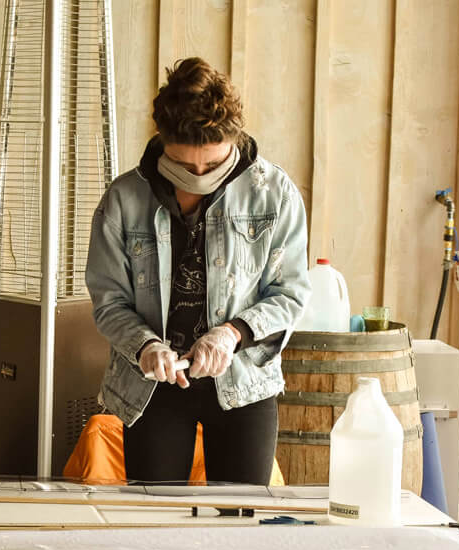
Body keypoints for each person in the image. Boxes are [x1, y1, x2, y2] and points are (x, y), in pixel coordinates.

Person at [85, 56, 310, 485]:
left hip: (244, 381)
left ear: (233, 140)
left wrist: (231, 333)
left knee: (240, 525)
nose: (199, 177)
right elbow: (109, 299)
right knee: (155, 527)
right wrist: (144, 345)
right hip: (152, 385)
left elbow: (291, 292)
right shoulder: (124, 198)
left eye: (213, 166)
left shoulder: (274, 194)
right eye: (185, 168)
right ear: (163, 143)